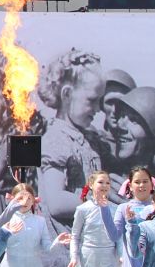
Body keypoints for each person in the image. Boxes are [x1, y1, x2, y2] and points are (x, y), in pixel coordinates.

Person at [36, 53, 104, 229]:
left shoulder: (85, 138)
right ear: (66, 94)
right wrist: (101, 205)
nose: (98, 109)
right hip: (64, 244)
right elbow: (56, 202)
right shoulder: (56, 140)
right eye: (92, 100)